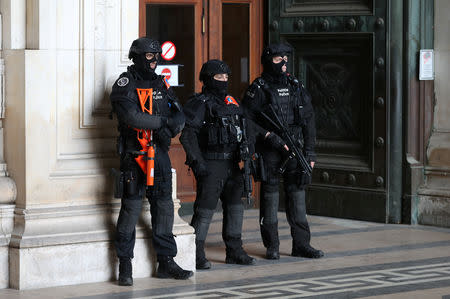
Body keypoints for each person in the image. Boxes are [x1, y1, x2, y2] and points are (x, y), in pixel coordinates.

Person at [110, 37, 193, 286]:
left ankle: (166, 262)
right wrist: (162, 123)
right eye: (149, 56)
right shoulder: (125, 83)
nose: (154, 61)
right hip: (134, 157)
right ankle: (125, 265)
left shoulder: (161, 82)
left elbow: (179, 112)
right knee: (130, 211)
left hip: (160, 155)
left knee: (164, 209)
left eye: (157, 56)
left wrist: (173, 126)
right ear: (136, 56)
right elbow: (131, 117)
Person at [242, 43, 324, 260]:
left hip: (295, 148)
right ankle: (272, 246)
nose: (284, 63)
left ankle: (302, 244)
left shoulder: (296, 86)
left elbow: (308, 120)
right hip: (270, 150)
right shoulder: (258, 88)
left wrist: (310, 152)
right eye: (279, 59)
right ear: (269, 61)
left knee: (297, 196)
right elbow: (247, 121)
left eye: (286, 58)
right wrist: (268, 137)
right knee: (269, 198)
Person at [180, 59, 264, 269]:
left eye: (226, 77)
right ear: (208, 79)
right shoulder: (199, 103)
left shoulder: (232, 102)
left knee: (236, 208)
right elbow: (188, 135)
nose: (224, 81)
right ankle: (196, 253)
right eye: (219, 77)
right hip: (212, 164)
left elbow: (247, 128)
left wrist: (249, 152)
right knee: (205, 210)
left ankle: (234, 251)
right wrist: (198, 163)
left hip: (234, 164)